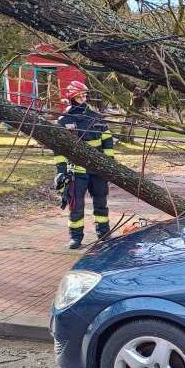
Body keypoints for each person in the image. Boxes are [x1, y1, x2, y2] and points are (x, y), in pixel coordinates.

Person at [53, 81, 114, 249]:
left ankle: (104, 233)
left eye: (84, 95)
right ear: (71, 97)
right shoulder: (64, 121)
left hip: (98, 170)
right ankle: (76, 238)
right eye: (79, 95)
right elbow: (59, 149)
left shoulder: (96, 118)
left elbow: (107, 142)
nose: (83, 98)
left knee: (101, 203)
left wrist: (109, 166)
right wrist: (61, 171)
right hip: (77, 171)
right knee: (76, 206)